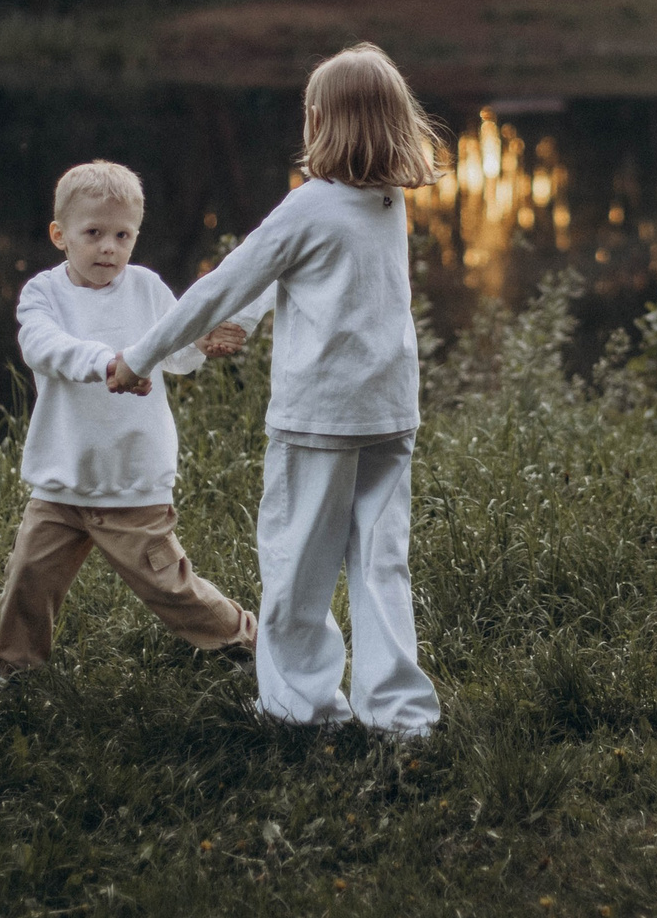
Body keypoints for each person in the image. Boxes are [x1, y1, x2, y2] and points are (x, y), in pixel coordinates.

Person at [109, 43, 444, 740]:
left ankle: (302, 708)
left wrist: (141, 355)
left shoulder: (309, 205)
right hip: (387, 417)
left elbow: (224, 281)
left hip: (319, 420)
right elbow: (305, 279)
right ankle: (400, 715)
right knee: (381, 562)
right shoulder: (386, 202)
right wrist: (244, 322)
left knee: (298, 563)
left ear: (319, 120)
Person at [0, 160, 262, 681]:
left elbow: (175, 353)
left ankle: (245, 640)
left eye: (122, 235)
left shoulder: (147, 288)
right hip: (62, 481)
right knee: (29, 578)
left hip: (132, 480)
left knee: (169, 584)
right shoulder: (44, 295)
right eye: (93, 234)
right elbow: (43, 348)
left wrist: (200, 342)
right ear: (59, 235)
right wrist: (109, 364)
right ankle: (13, 669)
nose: (108, 247)